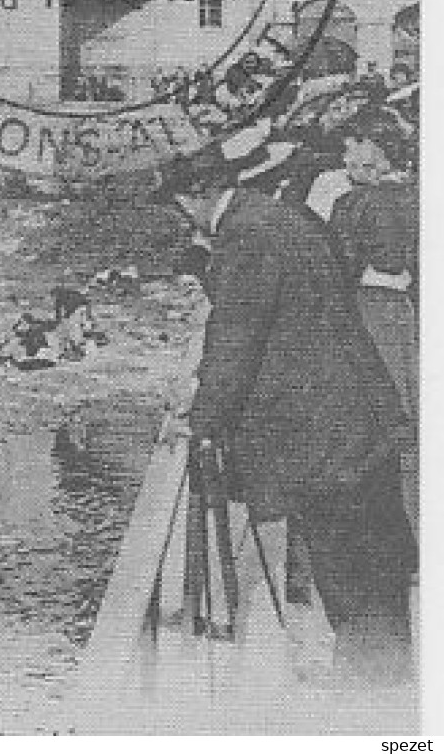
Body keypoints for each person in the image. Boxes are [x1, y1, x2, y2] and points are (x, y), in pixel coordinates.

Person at [157, 138, 415, 684]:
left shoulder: (247, 236)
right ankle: (383, 683)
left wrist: (202, 417)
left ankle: (372, 702)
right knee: (378, 568)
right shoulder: (283, 216)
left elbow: (235, 341)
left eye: (181, 204)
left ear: (197, 196)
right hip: (361, 416)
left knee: (350, 568)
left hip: (324, 434)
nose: (184, 218)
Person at [329, 117, 419, 536]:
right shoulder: (415, 196)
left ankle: (383, 528)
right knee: (410, 408)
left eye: (356, 146)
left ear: (377, 155)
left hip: (368, 307)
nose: (348, 157)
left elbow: (338, 265)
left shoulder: (355, 204)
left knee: (375, 413)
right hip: (405, 308)